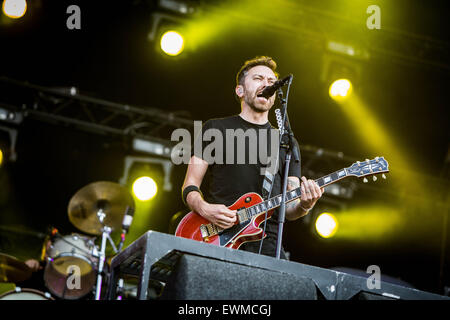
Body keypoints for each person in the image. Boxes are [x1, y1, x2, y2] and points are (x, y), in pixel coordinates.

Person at [181, 56, 324, 259]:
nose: (266, 84)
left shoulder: (285, 142)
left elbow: (290, 207)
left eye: (271, 81)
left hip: (268, 246)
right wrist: (205, 209)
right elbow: (190, 185)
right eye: (258, 78)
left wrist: (305, 205)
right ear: (240, 90)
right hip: (217, 236)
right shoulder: (215, 129)